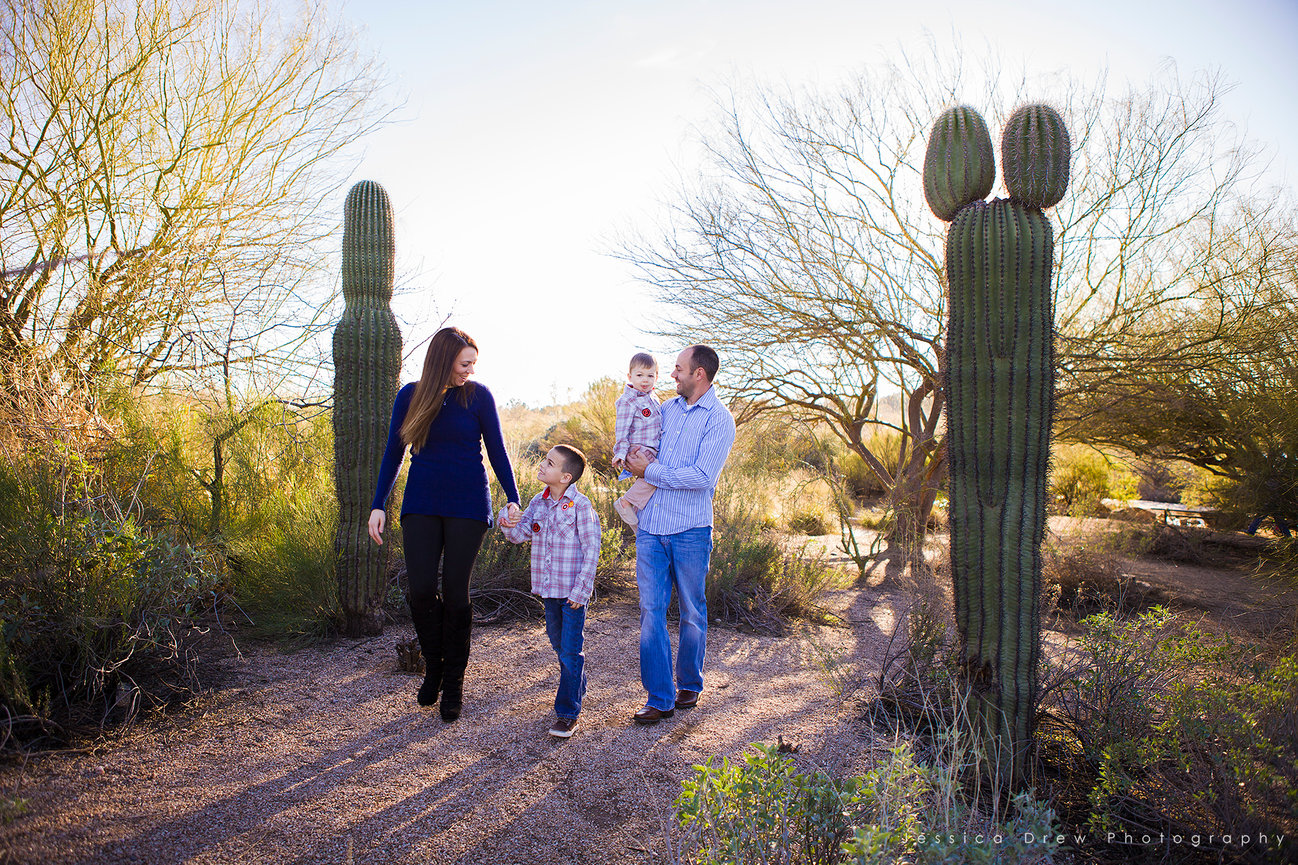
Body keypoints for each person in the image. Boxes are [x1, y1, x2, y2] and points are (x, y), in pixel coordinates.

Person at [368, 326, 521, 722]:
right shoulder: (411, 395)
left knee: (455, 595)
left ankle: (453, 682)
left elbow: (498, 451)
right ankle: (433, 665)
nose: (470, 369)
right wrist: (378, 503)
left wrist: (513, 497)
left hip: (468, 504)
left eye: (473, 363)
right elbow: (393, 453)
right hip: (421, 503)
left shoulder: (478, 396)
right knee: (420, 590)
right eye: (464, 363)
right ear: (443, 359)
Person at [624, 345, 736, 724]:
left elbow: (702, 478)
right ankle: (659, 697)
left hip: (691, 529)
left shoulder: (720, 420)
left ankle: (690, 680)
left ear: (699, 374)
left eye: (678, 369)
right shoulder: (665, 410)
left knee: (692, 610)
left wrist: (650, 472)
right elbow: (641, 446)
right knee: (651, 611)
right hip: (651, 528)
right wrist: (626, 458)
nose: (671, 375)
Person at [497, 445, 601, 738]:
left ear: (565, 477)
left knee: (569, 652)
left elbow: (592, 549)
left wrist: (582, 591)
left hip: (573, 594)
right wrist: (509, 519)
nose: (542, 465)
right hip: (549, 592)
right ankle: (576, 683)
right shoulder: (537, 503)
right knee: (559, 646)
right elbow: (519, 535)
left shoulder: (581, 506)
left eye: (550, 463)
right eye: (544, 460)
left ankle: (567, 714)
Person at [611, 352, 662, 529]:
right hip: (638, 450)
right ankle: (626, 502)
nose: (645, 380)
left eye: (650, 375)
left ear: (656, 377)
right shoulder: (628, 400)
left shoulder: (654, 398)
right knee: (656, 475)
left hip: (651, 448)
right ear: (630, 376)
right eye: (639, 375)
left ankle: (636, 517)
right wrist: (620, 452)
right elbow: (622, 430)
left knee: (653, 479)